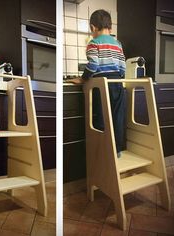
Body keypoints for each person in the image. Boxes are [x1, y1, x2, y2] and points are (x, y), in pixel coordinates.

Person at [68, 9, 126, 157]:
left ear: (93, 28)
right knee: (117, 117)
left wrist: (83, 79)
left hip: (102, 85)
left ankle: (103, 150)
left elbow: (93, 65)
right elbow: (122, 65)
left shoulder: (93, 43)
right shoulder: (118, 43)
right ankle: (117, 150)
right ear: (110, 27)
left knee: (101, 117)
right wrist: (118, 78)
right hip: (118, 83)